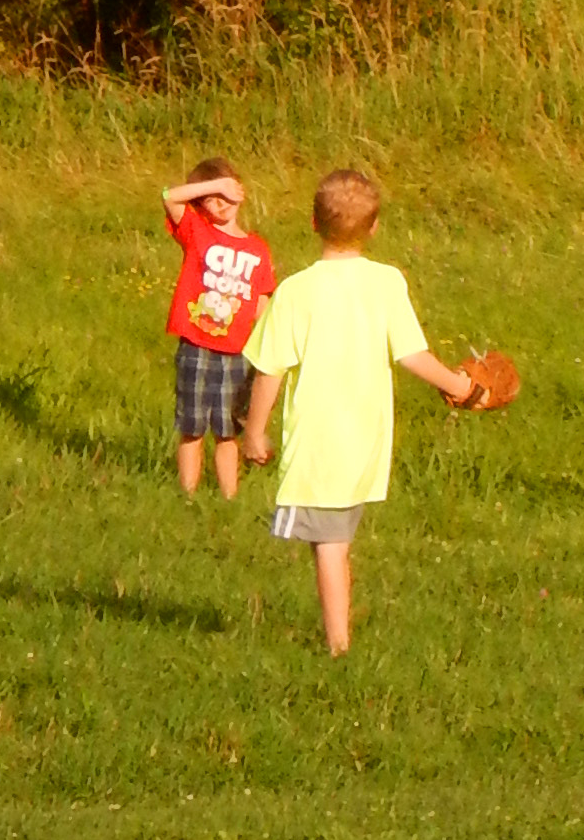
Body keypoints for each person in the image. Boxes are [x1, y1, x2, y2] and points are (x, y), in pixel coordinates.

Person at [238, 164, 489, 655]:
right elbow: (413, 354)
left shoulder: (295, 290)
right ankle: (340, 639)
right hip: (367, 441)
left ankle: (338, 645)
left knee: (328, 545)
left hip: (319, 442)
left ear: (313, 223)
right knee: (337, 541)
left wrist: (254, 432)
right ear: (373, 228)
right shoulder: (386, 282)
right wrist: (461, 386)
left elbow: (271, 368)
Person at [155, 153, 277, 499]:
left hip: (237, 351)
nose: (220, 204)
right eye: (210, 199)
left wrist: (267, 341)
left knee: (227, 431)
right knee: (192, 427)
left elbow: (262, 302)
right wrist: (213, 185)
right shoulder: (197, 231)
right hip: (195, 344)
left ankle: (229, 497)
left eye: (226, 195)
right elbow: (168, 195)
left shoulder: (257, 248)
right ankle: (189, 496)